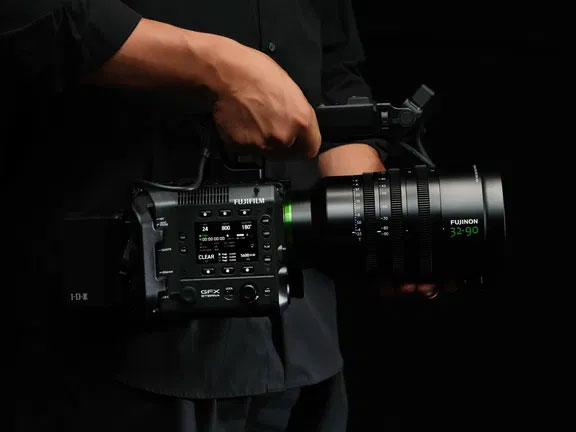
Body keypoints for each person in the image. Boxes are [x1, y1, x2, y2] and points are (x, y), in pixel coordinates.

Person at [2, 1, 435, 430]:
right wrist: (218, 67)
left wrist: (378, 219)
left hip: (305, 344)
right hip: (120, 346)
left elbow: (333, 68)